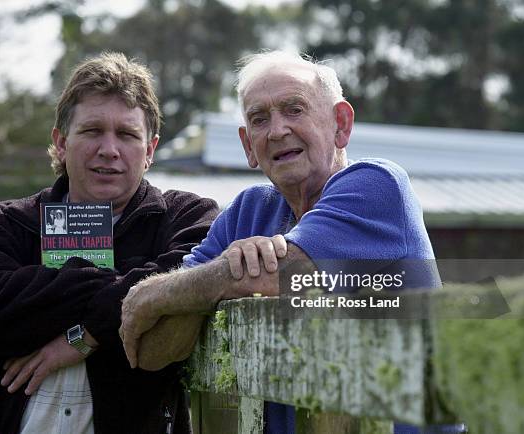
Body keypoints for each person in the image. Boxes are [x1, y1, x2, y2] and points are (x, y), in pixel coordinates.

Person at [120, 51, 464, 434]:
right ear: (248, 145)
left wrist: (151, 295)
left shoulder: (378, 186)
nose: (277, 130)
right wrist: (196, 288)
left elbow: (278, 275)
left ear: (341, 124)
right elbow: (150, 352)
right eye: (259, 119)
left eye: (294, 109)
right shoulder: (247, 213)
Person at [0, 52, 219, 434]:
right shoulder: (0, 225)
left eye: (127, 134)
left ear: (150, 150)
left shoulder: (187, 218)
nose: (109, 149)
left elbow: (194, 284)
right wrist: (130, 288)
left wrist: (81, 338)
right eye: (92, 131)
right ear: (60, 142)